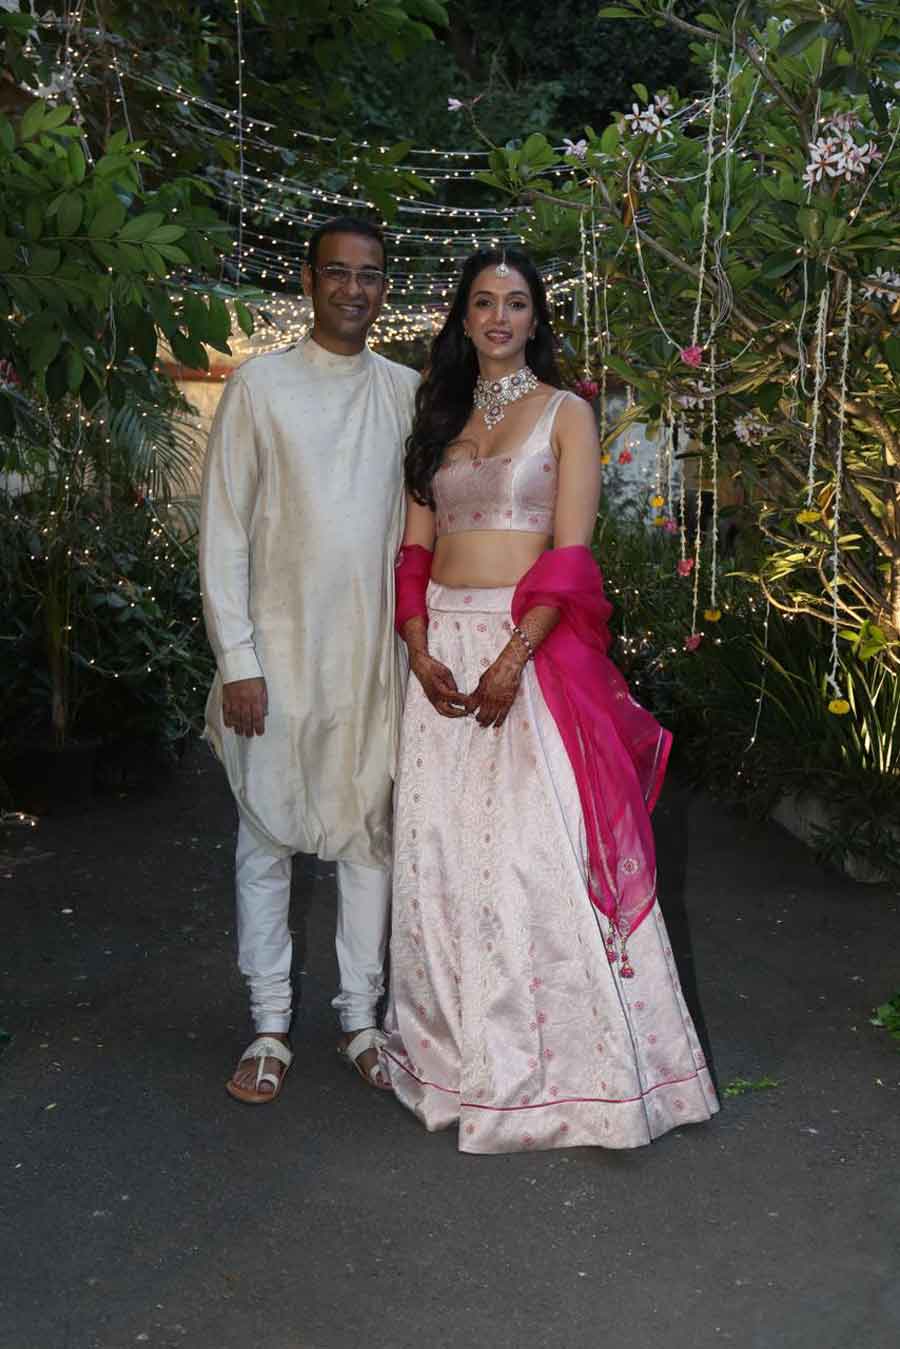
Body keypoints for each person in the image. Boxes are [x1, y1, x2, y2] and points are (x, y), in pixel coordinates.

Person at [382, 247, 719, 1153]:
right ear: (463, 318)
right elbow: (414, 550)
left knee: (532, 858)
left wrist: (514, 655)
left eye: (516, 302)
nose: (499, 316)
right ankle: (451, 1061)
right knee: (439, 856)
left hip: (525, 652)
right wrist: (416, 644)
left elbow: (570, 558)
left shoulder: (568, 413)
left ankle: (569, 1075)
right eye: (483, 302)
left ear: (536, 318)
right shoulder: (438, 415)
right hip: (440, 656)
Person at [200, 216, 418, 1103]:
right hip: (277, 656)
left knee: (369, 834)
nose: (353, 289)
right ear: (308, 280)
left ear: (384, 288)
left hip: (371, 659)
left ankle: (362, 1018)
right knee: (267, 833)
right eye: (338, 272)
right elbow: (223, 532)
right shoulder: (260, 387)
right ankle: (268, 1025)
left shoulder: (406, 393)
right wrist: (238, 660)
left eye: (369, 275)